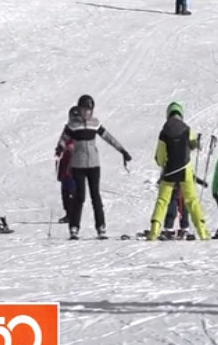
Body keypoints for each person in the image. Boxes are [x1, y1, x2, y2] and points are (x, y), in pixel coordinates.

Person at [56, 94, 132, 239]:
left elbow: (109, 138)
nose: (87, 112)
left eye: (89, 110)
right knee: (80, 197)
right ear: (79, 109)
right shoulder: (72, 126)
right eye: (84, 109)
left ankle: (101, 227)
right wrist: (60, 148)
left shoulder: (95, 124)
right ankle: (74, 228)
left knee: (95, 196)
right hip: (78, 165)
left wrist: (122, 150)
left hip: (94, 165)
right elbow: (63, 139)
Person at [148, 102, 208, 241]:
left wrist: (163, 163)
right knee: (192, 201)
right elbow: (194, 145)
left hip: (169, 171)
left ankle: (154, 230)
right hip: (185, 170)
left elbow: (160, 156)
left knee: (162, 201)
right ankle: (203, 232)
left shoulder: (164, 131)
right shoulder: (187, 129)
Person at [55, 106, 80, 224]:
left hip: (75, 164)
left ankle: (73, 214)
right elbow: (62, 141)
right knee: (65, 190)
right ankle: (68, 214)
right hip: (65, 163)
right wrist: (59, 149)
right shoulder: (67, 129)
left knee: (72, 190)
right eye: (72, 117)